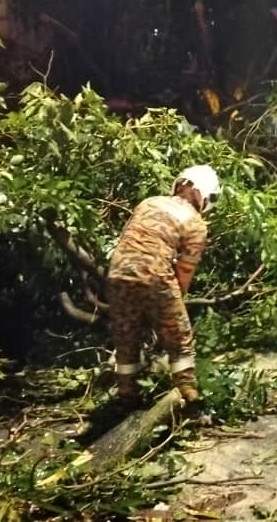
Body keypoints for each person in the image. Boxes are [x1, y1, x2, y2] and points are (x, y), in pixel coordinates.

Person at [107, 165, 220, 406]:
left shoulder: (148, 203)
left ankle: (126, 394)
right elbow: (184, 274)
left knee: (126, 334)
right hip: (155, 273)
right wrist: (169, 310)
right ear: (203, 194)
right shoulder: (196, 224)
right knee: (179, 334)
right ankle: (187, 392)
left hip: (117, 271)